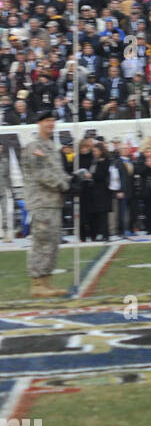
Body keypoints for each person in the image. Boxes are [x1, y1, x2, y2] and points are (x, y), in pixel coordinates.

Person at [20, 108, 70, 298]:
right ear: (39, 123)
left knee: (52, 242)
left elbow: (57, 171)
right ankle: (36, 282)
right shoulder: (35, 147)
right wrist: (63, 184)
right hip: (41, 201)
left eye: (53, 120)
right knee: (41, 241)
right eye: (47, 120)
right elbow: (41, 173)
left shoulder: (51, 146)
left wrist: (71, 180)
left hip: (54, 201)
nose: (51, 124)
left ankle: (46, 280)